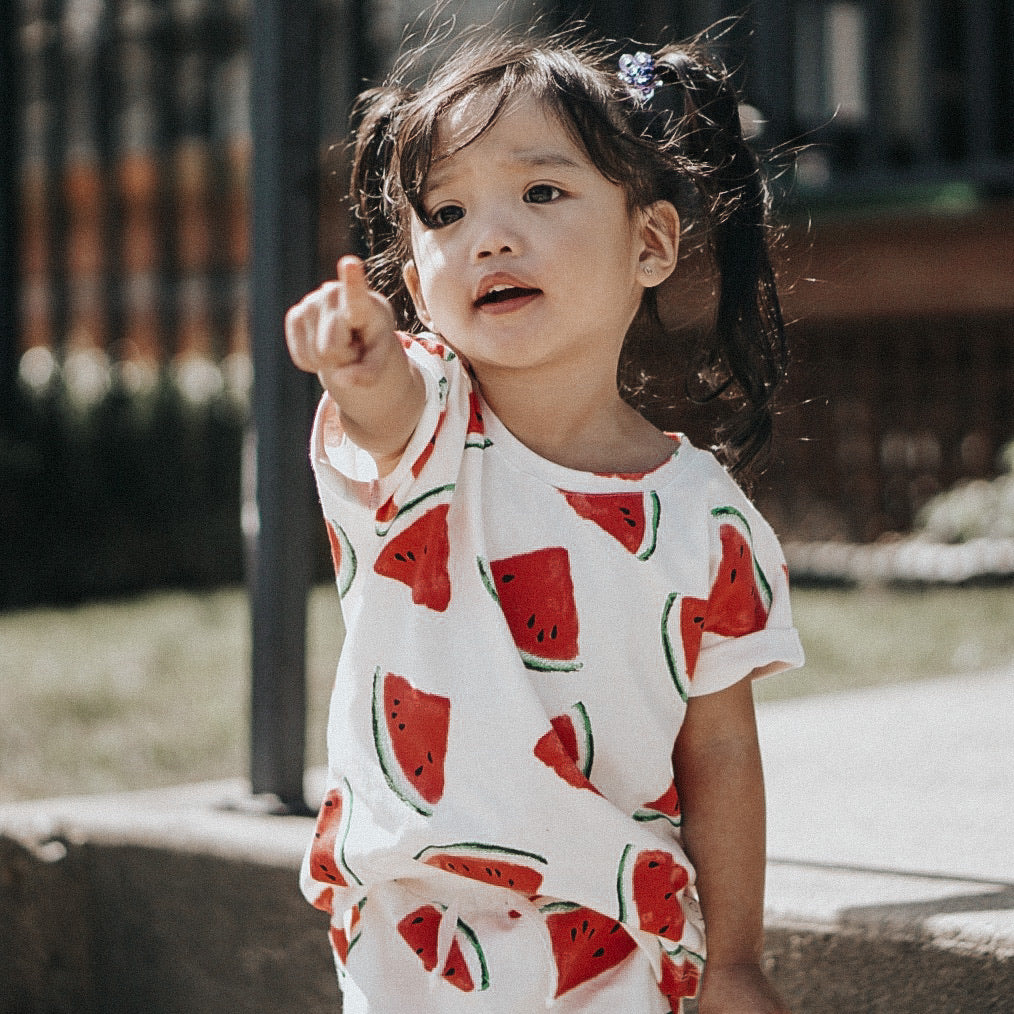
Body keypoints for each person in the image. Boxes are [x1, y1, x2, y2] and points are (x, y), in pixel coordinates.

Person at [285, 23, 804, 1014]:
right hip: (420, 942)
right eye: (445, 211)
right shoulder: (427, 427)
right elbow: (386, 406)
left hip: (617, 942)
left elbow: (724, 754)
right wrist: (361, 369)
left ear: (650, 242)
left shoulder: (706, 518)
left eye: (541, 192)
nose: (489, 234)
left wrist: (734, 958)